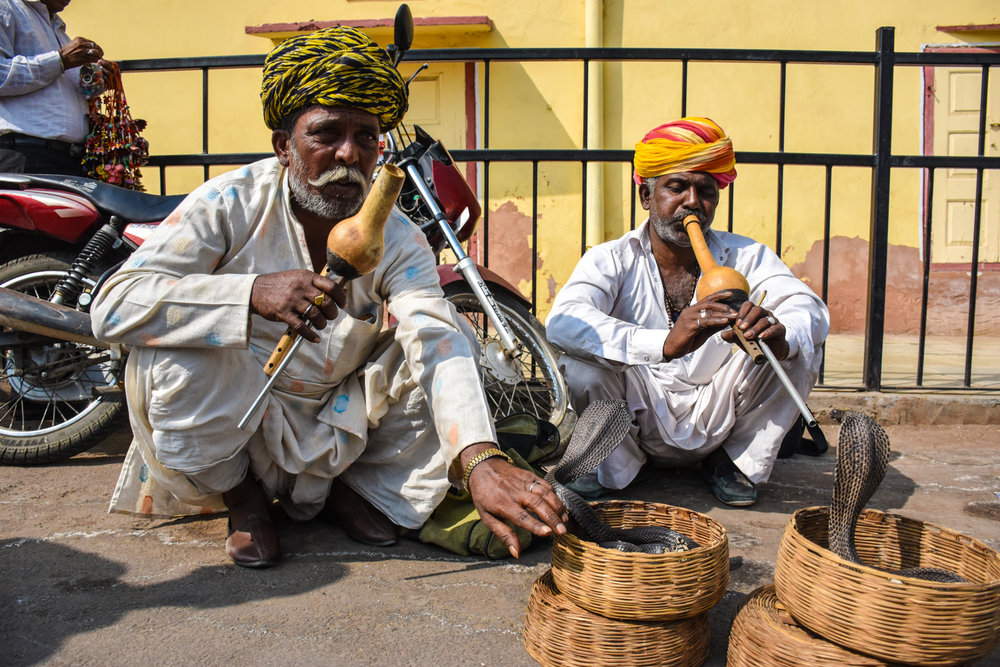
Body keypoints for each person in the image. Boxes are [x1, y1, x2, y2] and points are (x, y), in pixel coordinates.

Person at [91, 26, 566, 568]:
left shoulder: (399, 235)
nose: (349, 154)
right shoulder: (228, 203)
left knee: (452, 334)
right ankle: (243, 499)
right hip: (234, 419)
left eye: (367, 138)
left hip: (332, 417)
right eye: (326, 134)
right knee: (171, 350)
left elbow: (432, 335)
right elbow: (113, 305)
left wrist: (480, 458)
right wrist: (248, 295)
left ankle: (351, 490)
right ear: (283, 145)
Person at [545, 117, 829, 507]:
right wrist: (663, 343)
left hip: (717, 405)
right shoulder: (609, 259)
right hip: (637, 407)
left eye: (706, 190)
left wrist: (781, 334)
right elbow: (563, 322)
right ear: (646, 197)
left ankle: (732, 462)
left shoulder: (746, 255)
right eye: (677, 187)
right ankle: (616, 462)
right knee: (582, 365)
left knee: (795, 348)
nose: (693, 202)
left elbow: (808, 308)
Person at [0, 0, 105, 174]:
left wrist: (95, 81)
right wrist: (61, 60)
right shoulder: (7, 7)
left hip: (68, 158)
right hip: (25, 154)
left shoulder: (57, 30)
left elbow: (58, 92)